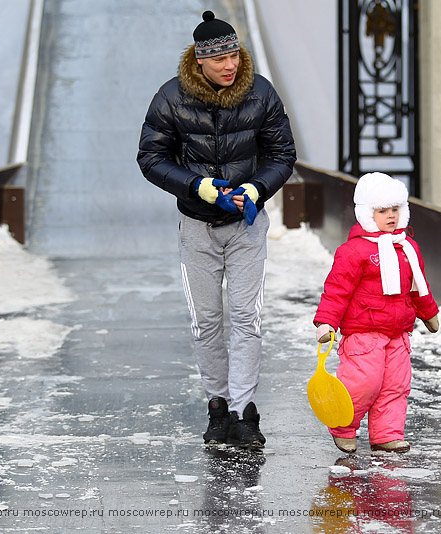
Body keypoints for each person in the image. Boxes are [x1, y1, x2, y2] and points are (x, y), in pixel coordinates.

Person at [137, 11, 296, 449]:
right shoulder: (170, 98)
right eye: (220, 57)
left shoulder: (260, 92)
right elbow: (150, 158)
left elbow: (283, 153)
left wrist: (256, 188)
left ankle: (245, 412)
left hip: (247, 227)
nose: (230, 64)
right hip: (196, 228)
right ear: (200, 61)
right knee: (206, 323)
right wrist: (199, 186)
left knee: (247, 320)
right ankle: (217, 406)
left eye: (234, 54)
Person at [313, 172, 440, 454]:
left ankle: (386, 433)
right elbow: (337, 289)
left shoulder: (407, 247)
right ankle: (344, 425)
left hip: (398, 332)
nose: (391, 216)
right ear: (368, 214)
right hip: (363, 333)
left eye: (395, 210)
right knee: (363, 384)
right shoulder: (354, 251)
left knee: (395, 386)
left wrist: (429, 313)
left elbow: (418, 285)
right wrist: (326, 322)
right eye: (383, 211)